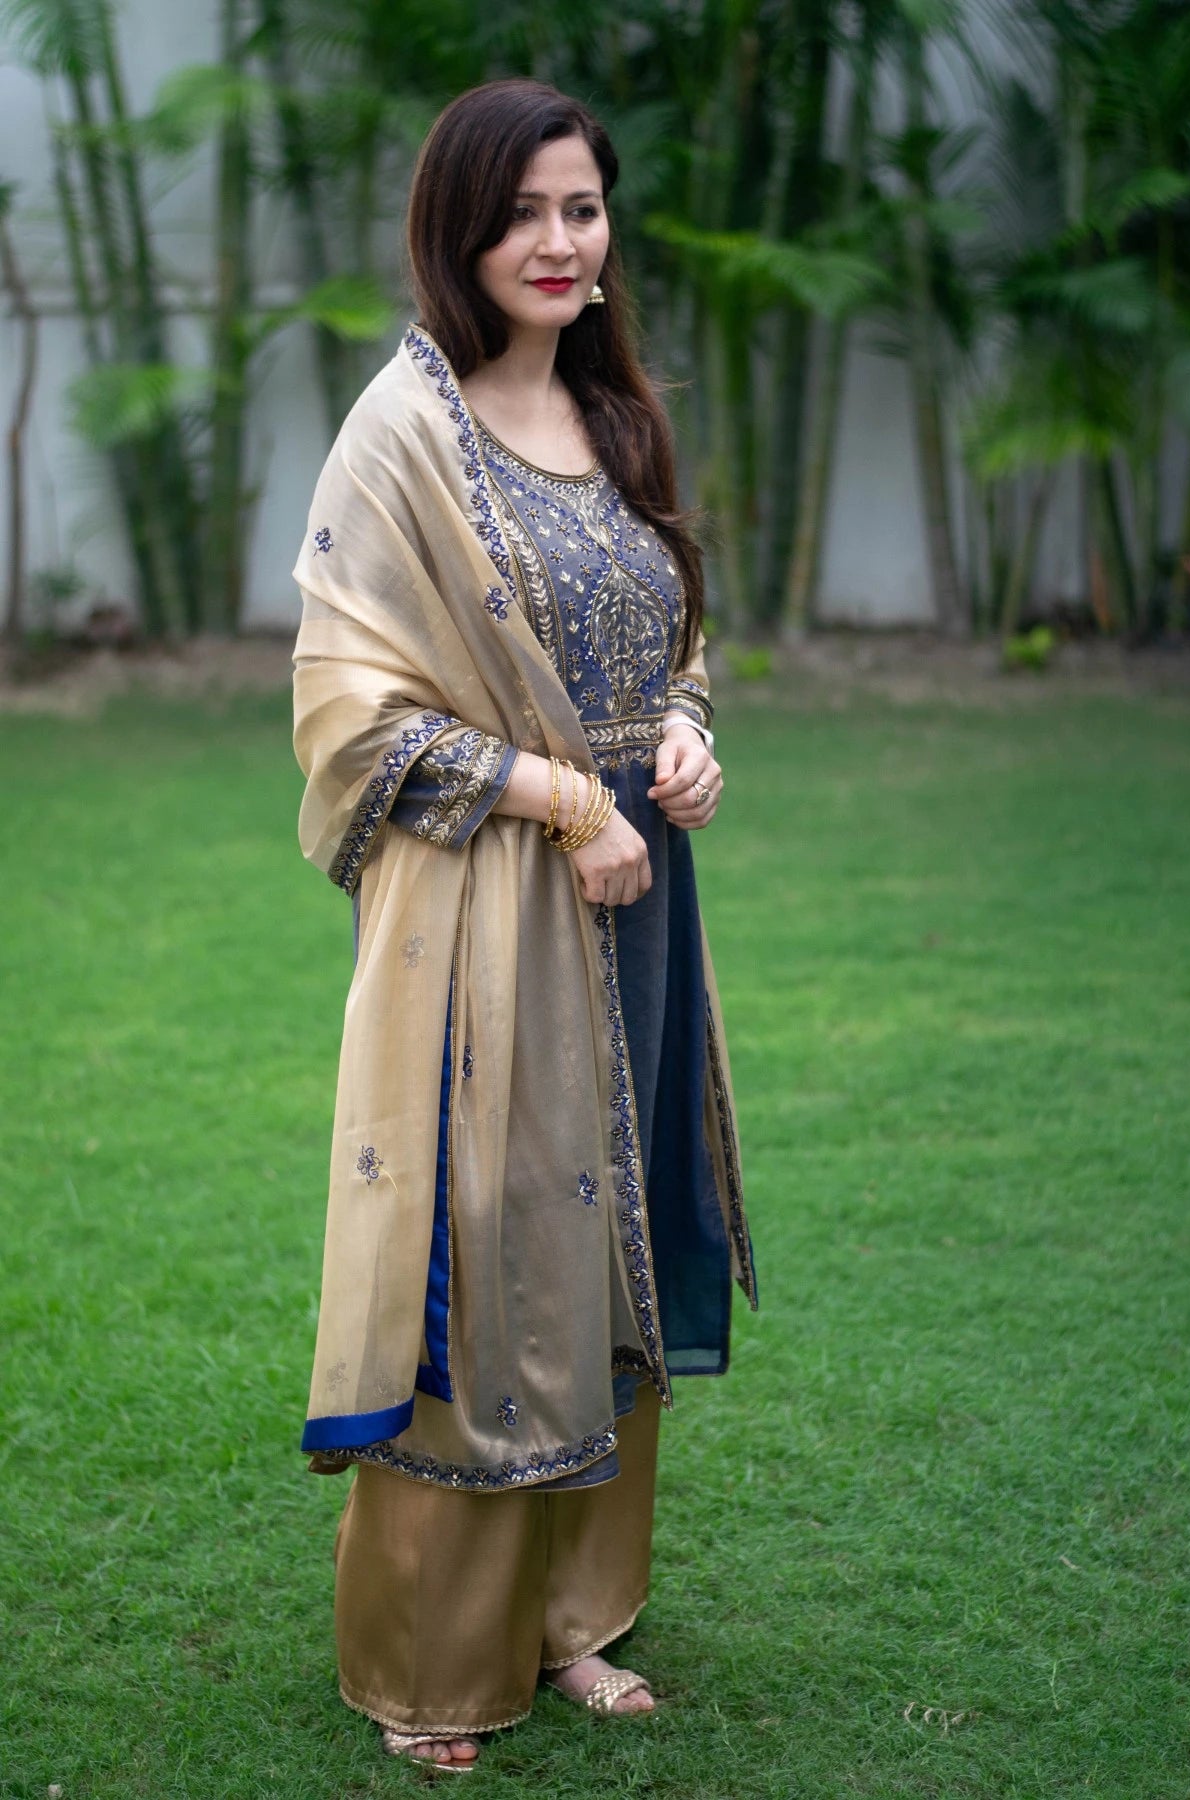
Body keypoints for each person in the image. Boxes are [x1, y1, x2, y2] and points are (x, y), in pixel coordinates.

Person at [290, 76, 757, 1772]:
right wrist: (567, 801)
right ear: (460, 231)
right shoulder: (402, 434)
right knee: (489, 1257)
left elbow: (670, 636)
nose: (563, 243)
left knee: (611, 1244)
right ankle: (437, 1654)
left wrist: (689, 737)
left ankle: (574, 1621)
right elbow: (346, 714)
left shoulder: (621, 414)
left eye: (584, 209)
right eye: (526, 214)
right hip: (489, 924)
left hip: (640, 919)